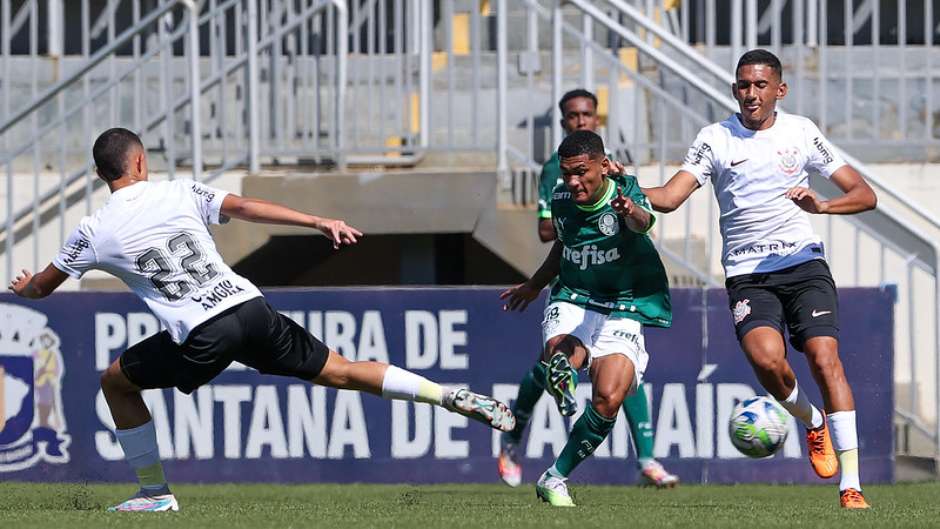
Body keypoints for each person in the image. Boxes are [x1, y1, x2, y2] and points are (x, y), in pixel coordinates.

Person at [8, 128, 516, 512]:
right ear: (140, 161)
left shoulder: (94, 230)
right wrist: (318, 221)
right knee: (342, 369)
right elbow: (247, 207)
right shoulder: (180, 191)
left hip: (202, 332)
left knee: (115, 381)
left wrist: (24, 285)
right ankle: (446, 395)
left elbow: (43, 288)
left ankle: (154, 493)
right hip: (248, 306)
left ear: (102, 174)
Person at [642, 49, 877, 509]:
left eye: (760, 85)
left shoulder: (801, 132)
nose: (751, 94)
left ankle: (851, 485)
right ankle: (812, 423)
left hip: (803, 263)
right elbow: (670, 198)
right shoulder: (715, 138)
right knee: (768, 361)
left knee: (824, 357)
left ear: (779, 90)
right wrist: (621, 186)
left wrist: (822, 207)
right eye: (744, 86)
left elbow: (864, 195)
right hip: (748, 275)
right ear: (734, 89)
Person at [498, 89, 678, 489]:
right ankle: (526, 417)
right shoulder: (559, 186)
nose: (574, 181)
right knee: (561, 355)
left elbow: (644, 221)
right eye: (569, 174)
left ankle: (560, 475)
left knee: (612, 393)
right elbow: (555, 236)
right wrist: (535, 283)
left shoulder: (620, 179)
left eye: (582, 172)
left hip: (625, 301)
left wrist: (628, 209)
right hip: (576, 291)